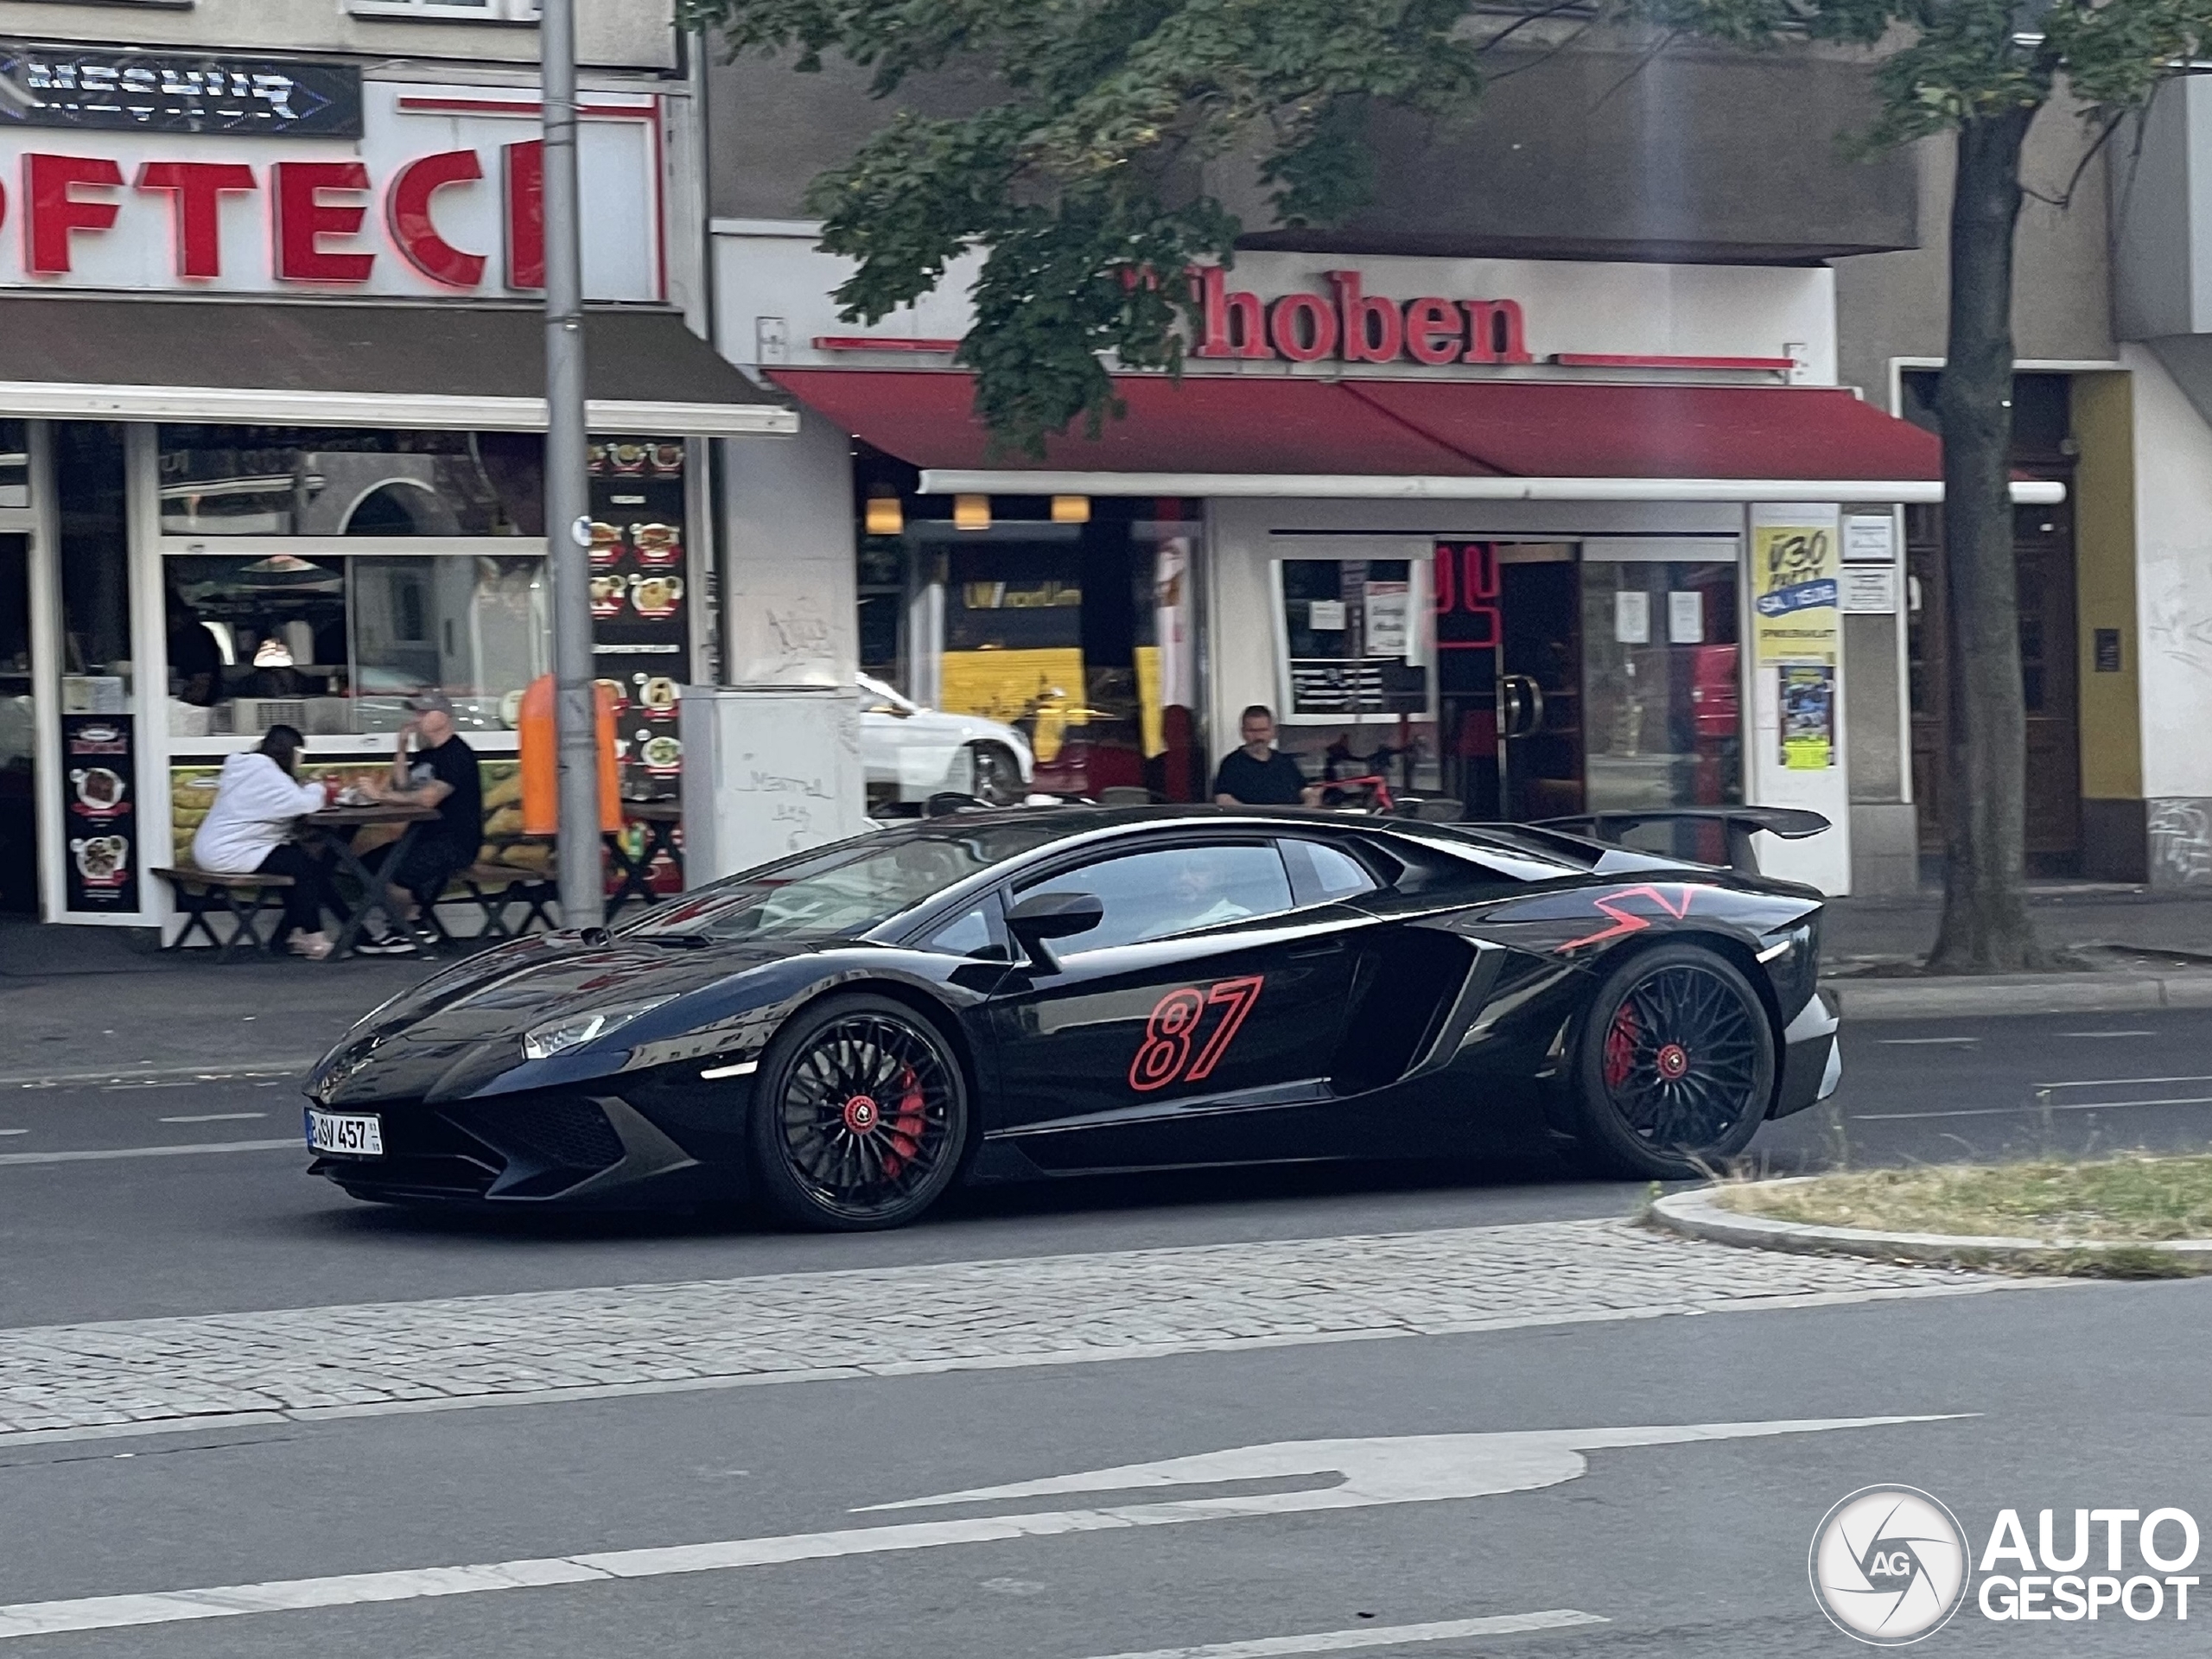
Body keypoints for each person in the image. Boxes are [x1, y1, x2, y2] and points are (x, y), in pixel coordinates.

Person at [189, 725, 340, 958]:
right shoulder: (267, 776)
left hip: (217, 847)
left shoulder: (247, 768)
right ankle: (314, 937)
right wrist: (316, 787)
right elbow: (305, 804)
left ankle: (296, 932)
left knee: (296, 860)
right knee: (305, 867)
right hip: (230, 852)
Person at [358, 692, 484, 954]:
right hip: (422, 837)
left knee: (395, 875)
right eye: (417, 713)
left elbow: (427, 798)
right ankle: (411, 920)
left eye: (425, 713)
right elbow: (405, 786)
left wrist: (380, 796)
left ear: (444, 716)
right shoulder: (429, 754)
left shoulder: (457, 755)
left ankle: (406, 926)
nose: (418, 719)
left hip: (454, 841)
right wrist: (402, 748)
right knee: (368, 865)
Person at [1211, 705, 1321, 807]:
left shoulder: (1285, 762)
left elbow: (1304, 791)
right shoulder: (1232, 764)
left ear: (1273, 731)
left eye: (1263, 730)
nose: (1258, 736)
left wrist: (1312, 798)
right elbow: (1223, 800)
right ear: (1243, 732)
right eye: (1252, 731)